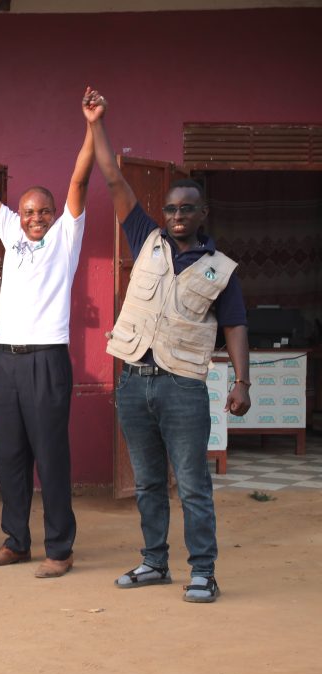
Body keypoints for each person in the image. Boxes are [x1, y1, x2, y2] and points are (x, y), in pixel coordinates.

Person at [88, 89, 250, 602]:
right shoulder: (145, 238)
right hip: (135, 381)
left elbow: (236, 326)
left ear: (203, 213)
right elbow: (113, 178)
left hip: (182, 387)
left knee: (193, 483)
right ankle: (153, 562)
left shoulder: (219, 268)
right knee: (148, 480)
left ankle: (203, 571)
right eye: (171, 208)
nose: (177, 215)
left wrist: (243, 382)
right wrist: (96, 123)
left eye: (187, 209)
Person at [0, 94, 94, 579]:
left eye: (42, 211)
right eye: (29, 211)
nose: (34, 218)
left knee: (50, 457)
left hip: (47, 360)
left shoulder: (65, 238)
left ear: (55, 215)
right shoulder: (9, 229)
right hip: (7, 361)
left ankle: (60, 548)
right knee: (10, 454)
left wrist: (92, 126)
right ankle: (16, 541)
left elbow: (78, 178)